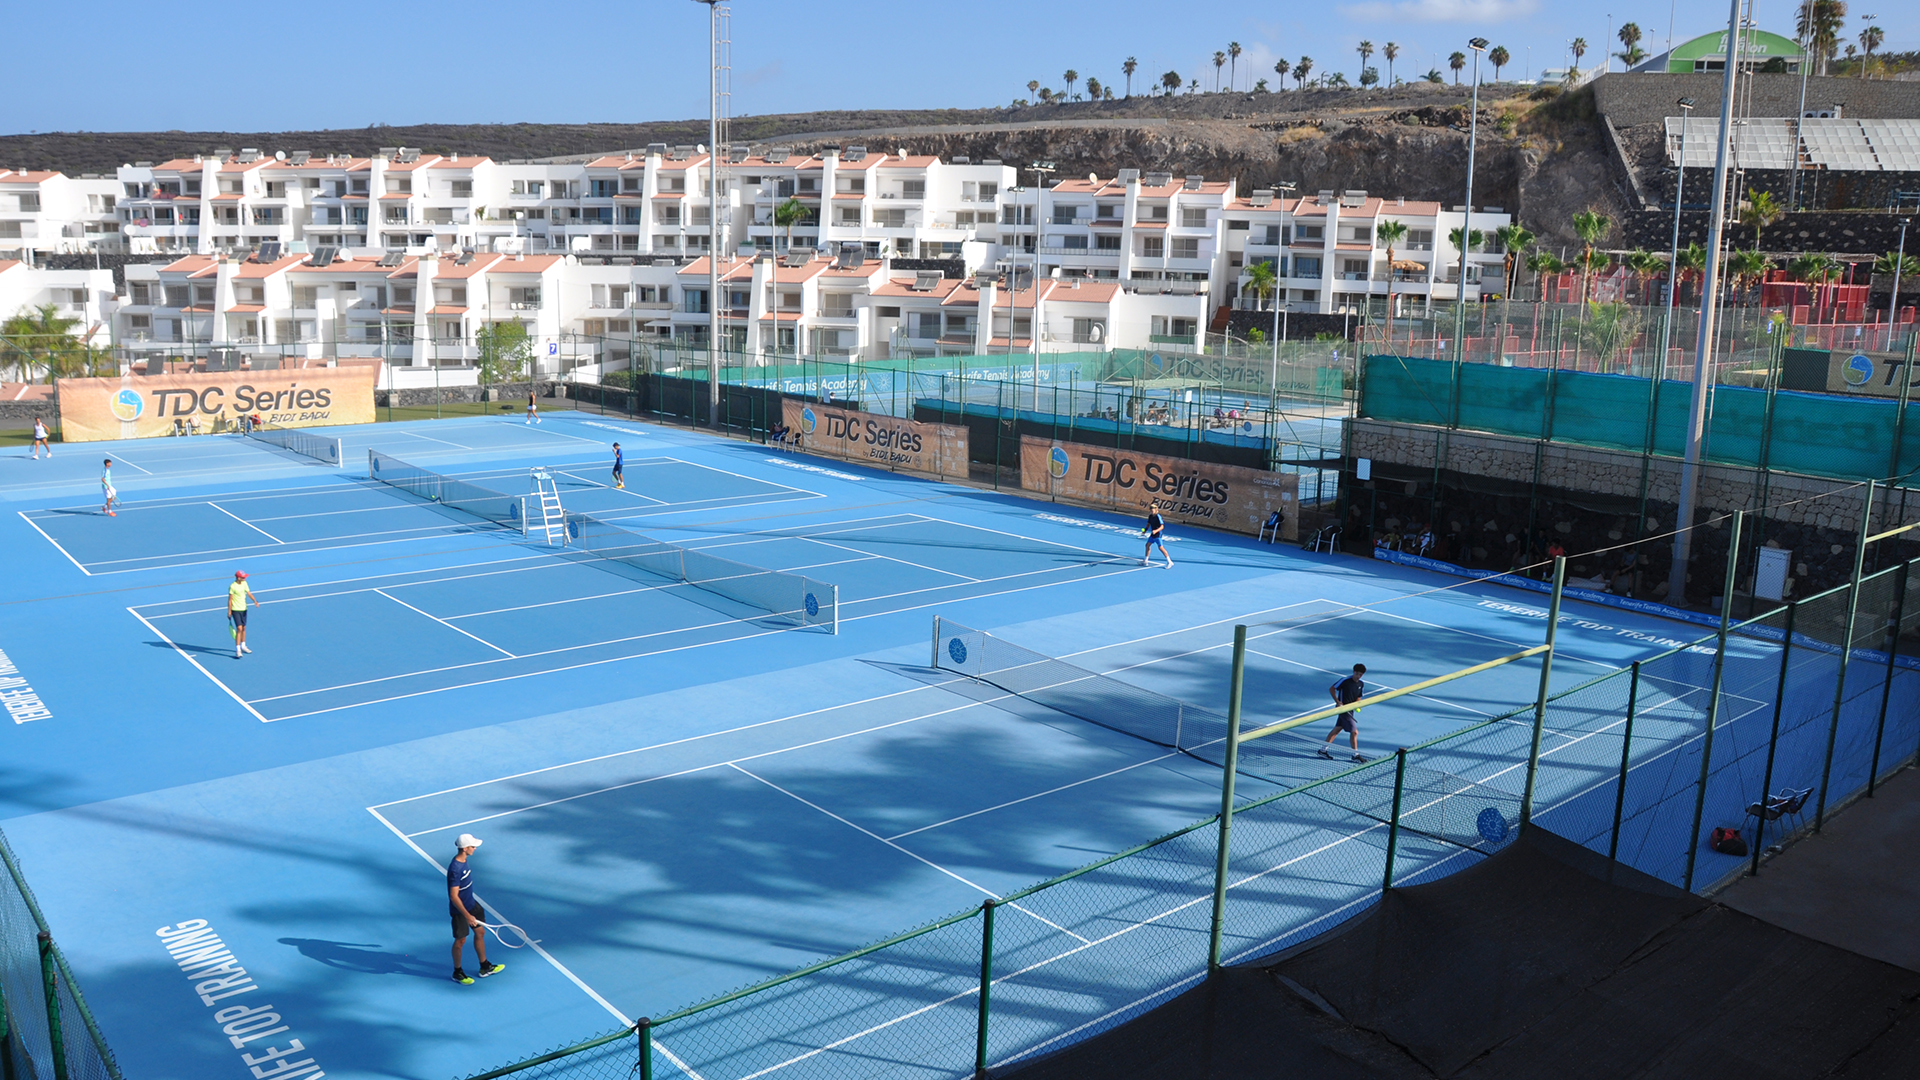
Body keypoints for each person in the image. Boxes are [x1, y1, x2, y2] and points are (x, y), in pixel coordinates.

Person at [448, 833, 503, 985]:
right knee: (460, 941)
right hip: (460, 911)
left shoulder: (464, 860)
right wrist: (467, 915)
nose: (475, 848)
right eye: (473, 846)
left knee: (480, 932)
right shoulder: (455, 869)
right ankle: (457, 972)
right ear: (465, 848)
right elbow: (453, 896)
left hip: (472, 904)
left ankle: (485, 966)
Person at [1318, 663, 1368, 762]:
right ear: (1354, 672)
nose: (1358, 676)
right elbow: (1332, 689)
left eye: (1360, 674)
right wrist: (1338, 702)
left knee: (1337, 730)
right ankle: (1355, 755)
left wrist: (1358, 703)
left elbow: (1359, 696)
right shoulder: (1345, 681)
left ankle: (1323, 750)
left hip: (1351, 710)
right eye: (1357, 673)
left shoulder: (1361, 684)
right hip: (1343, 710)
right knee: (1354, 732)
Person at [228, 571, 259, 658]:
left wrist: (255, 601)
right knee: (239, 628)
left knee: (244, 628)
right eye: (243, 577)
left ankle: (243, 646)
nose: (245, 578)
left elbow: (249, 593)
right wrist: (229, 611)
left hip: (244, 609)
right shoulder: (232, 586)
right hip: (235, 610)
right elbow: (230, 600)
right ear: (238, 578)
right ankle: (238, 650)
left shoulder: (245, 583)